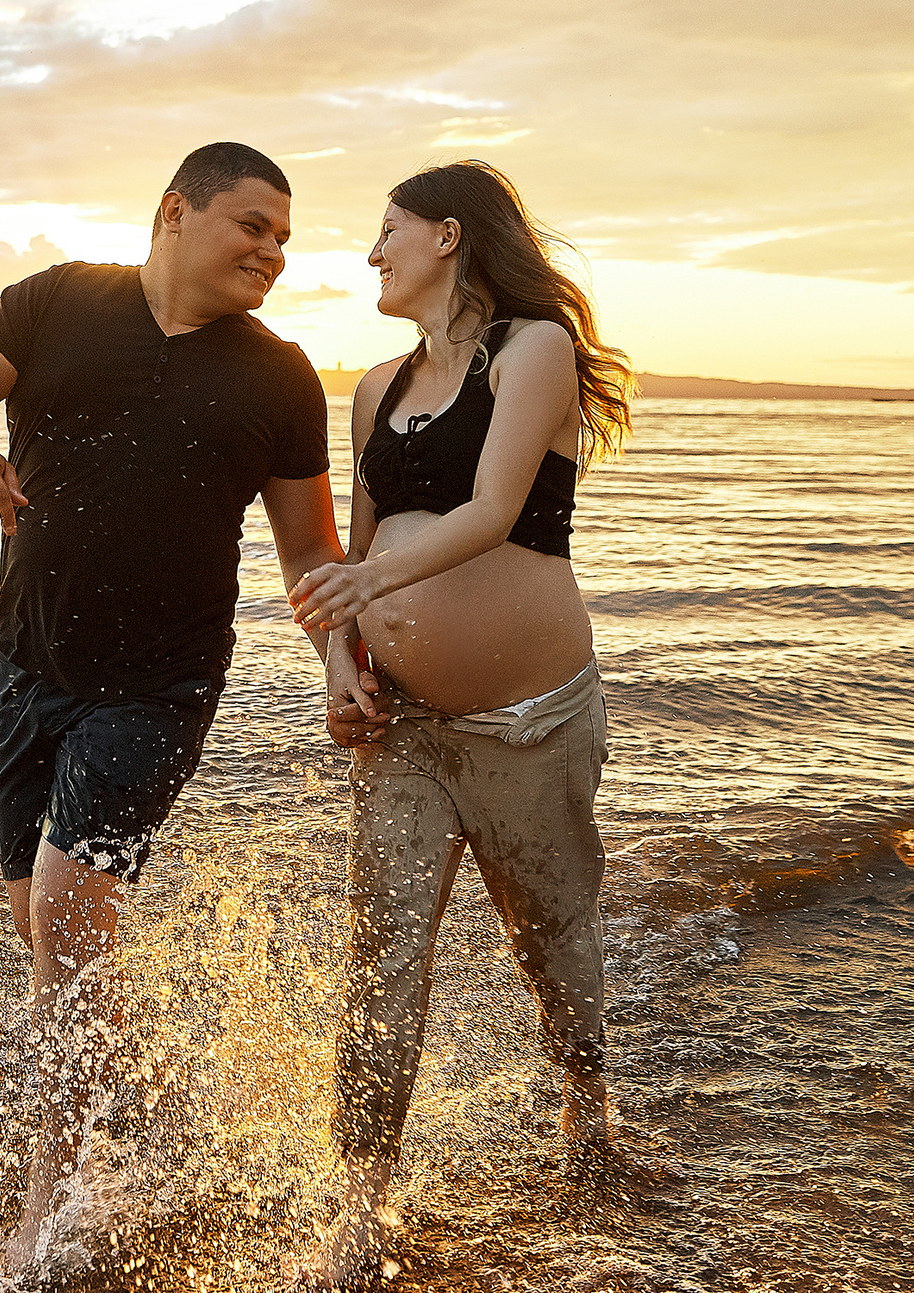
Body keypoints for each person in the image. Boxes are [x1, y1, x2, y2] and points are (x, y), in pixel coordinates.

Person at [0, 142, 374, 1277]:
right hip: (24, 666)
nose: (272, 251)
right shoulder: (58, 303)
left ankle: (49, 1212)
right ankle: (143, 1118)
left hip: (162, 683)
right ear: (175, 212)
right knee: (53, 934)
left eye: (284, 238)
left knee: (64, 912)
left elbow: (310, 550)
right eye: (252, 225)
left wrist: (338, 661)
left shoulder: (279, 375)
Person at [284, 160, 646, 1288]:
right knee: (383, 951)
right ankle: (359, 1207)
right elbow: (360, 548)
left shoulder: (533, 348)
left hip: (532, 721)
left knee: (552, 946)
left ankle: (589, 1121)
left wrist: (357, 588)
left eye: (386, 231)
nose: (370, 253)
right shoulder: (375, 389)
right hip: (406, 729)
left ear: (447, 235)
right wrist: (343, 659)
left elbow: (492, 512)